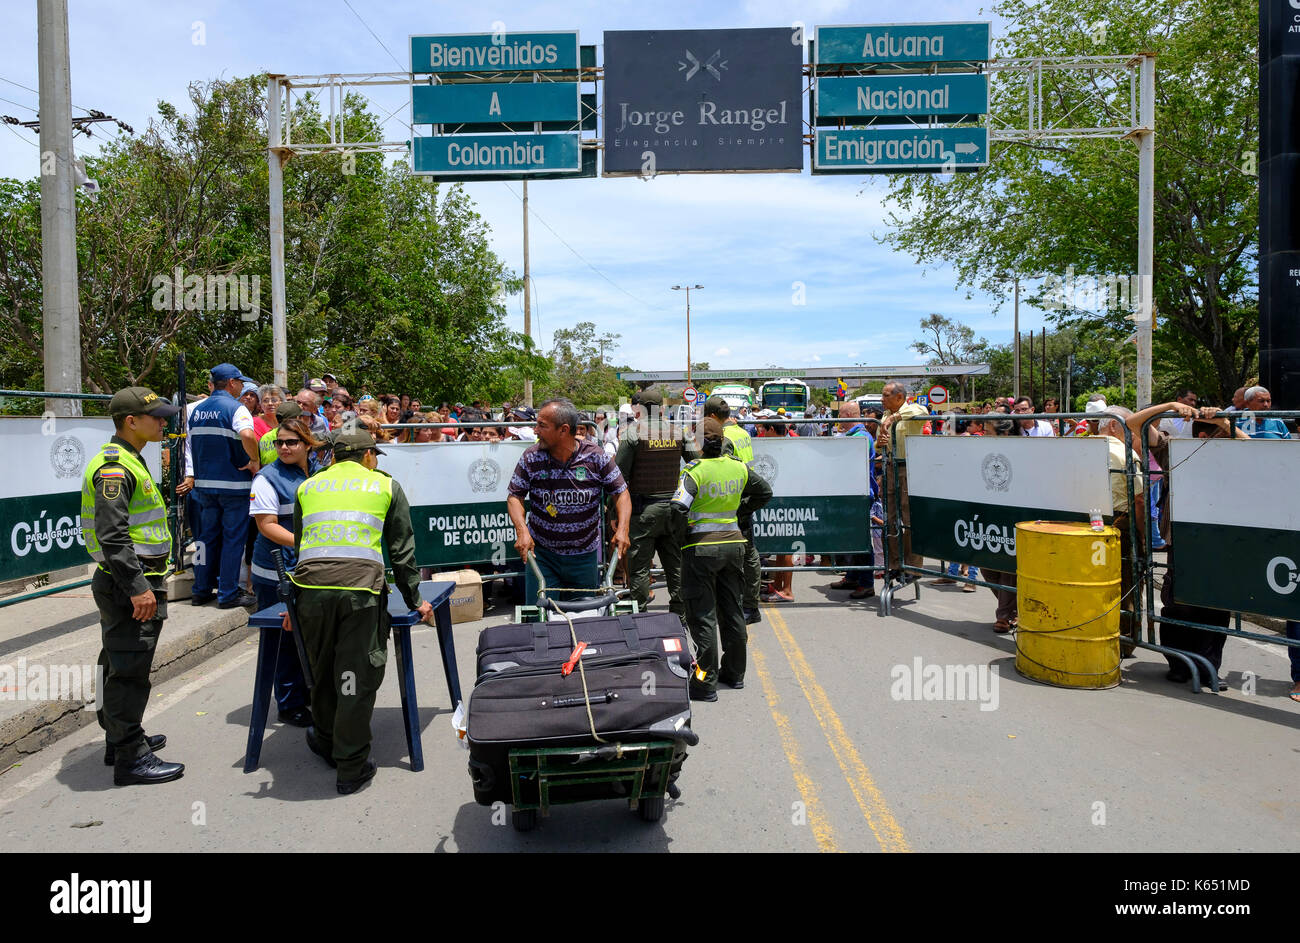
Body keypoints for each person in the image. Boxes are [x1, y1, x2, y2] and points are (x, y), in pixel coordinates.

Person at [291, 430, 434, 794]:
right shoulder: (385, 487)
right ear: (369, 456)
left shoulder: (309, 487)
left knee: (321, 669)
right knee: (354, 675)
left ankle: (326, 740)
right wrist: (416, 599)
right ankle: (351, 767)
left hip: (309, 592)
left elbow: (300, 544)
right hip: (359, 593)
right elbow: (402, 552)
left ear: (336, 457)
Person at [82, 386, 186, 785]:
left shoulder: (128, 460)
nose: (163, 422)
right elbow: (113, 536)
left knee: (115, 659)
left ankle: (119, 736)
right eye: (157, 417)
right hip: (130, 582)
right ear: (131, 421)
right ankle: (130, 757)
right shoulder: (116, 468)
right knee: (129, 669)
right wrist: (139, 587)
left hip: (127, 580)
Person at [671, 417, 773, 701]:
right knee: (733, 611)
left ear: (700, 442)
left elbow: (678, 508)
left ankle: (705, 682)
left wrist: (682, 537)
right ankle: (735, 674)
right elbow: (765, 492)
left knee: (703, 616)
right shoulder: (739, 468)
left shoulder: (694, 471)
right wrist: (741, 514)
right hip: (734, 547)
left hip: (700, 550)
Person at [507, 399, 632, 606]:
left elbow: (622, 493)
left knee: (582, 620)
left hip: (584, 558)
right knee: (541, 623)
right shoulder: (531, 457)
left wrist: (623, 529)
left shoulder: (596, 457)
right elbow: (515, 496)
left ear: (563, 430)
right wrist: (522, 531)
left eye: (542, 426)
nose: (535, 430)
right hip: (543, 556)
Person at [249, 416, 323, 727]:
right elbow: (266, 526)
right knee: (284, 641)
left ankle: (305, 692)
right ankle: (289, 702)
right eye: (279, 442)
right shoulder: (267, 478)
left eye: (291, 442)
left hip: (306, 569)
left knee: (306, 637)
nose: (283, 447)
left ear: (308, 444)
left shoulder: (319, 472)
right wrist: (310, 542)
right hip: (275, 573)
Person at [617, 389, 701, 615]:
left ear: (640, 410)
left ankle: (640, 618)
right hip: (674, 509)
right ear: (662, 408)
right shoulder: (679, 431)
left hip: (642, 512)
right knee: (676, 567)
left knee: (640, 569)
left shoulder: (631, 434)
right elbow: (698, 464)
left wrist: (614, 515)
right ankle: (680, 617)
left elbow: (618, 477)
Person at [191, 363, 261, 609]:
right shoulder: (237, 408)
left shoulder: (197, 411)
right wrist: (254, 460)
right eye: (240, 382)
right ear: (231, 383)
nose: (242, 387)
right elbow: (248, 436)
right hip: (233, 487)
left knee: (205, 538)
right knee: (233, 540)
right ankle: (228, 592)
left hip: (204, 487)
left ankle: (200, 590)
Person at [704, 396, 762, 623]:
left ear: (711, 416)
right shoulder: (743, 432)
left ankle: (741, 606)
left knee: (739, 555)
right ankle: (750, 605)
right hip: (744, 496)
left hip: (731, 500)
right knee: (749, 554)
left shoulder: (724, 436)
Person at [878, 381, 928, 579]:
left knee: (909, 519)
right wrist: (879, 442)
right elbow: (878, 444)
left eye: (886, 395)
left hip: (908, 469)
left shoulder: (912, 411)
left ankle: (913, 566)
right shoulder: (883, 416)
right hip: (890, 467)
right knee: (889, 519)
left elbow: (924, 412)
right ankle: (894, 564)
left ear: (899, 397)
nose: (882, 399)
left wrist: (895, 419)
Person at [827, 402, 877, 600]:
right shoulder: (854, 436)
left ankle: (866, 583)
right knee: (851, 538)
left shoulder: (860, 438)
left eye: (840, 415)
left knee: (862, 541)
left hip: (859, 495)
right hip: (851, 494)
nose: (839, 419)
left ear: (848, 415)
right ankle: (853, 576)